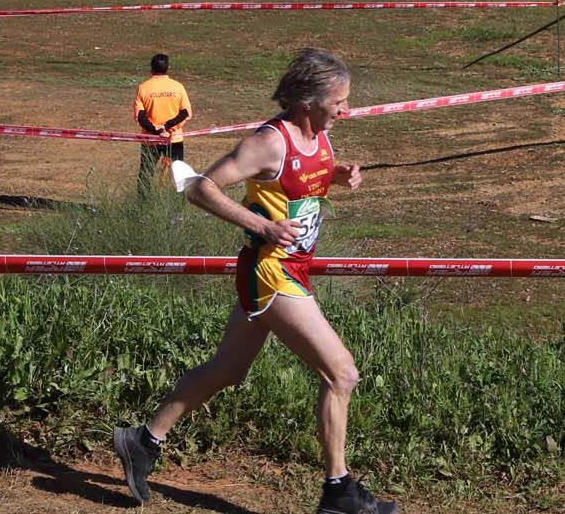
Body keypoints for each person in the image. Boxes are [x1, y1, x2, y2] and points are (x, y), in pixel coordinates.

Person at [113, 49, 398, 514]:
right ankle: (338, 492)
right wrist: (262, 226)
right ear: (308, 101)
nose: (347, 110)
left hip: (292, 268)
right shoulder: (269, 142)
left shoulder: (320, 136)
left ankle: (141, 441)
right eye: (340, 101)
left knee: (228, 370)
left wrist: (336, 175)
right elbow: (201, 188)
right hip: (271, 271)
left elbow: (298, 186)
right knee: (341, 372)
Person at [134, 53, 193, 192]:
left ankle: (143, 205)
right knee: (177, 175)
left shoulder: (143, 88)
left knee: (146, 175)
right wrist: (167, 127)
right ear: (168, 68)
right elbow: (185, 113)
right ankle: (176, 204)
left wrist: (156, 130)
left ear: (151, 68)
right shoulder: (178, 87)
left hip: (151, 139)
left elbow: (140, 116)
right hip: (174, 139)